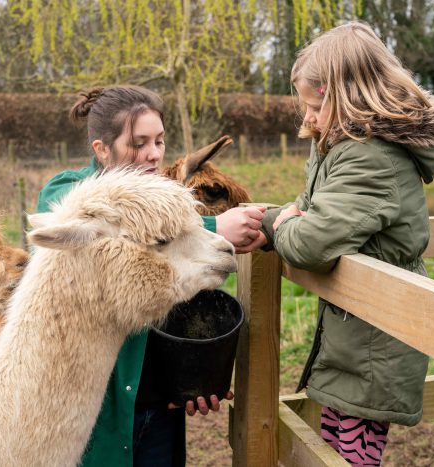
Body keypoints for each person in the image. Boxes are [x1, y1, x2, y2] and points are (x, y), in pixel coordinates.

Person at [259, 22, 434, 466]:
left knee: (352, 455)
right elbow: (306, 208)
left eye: (314, 106)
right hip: (356, 332)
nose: (306, 118)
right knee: (334, 441)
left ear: (342, 97)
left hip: (374, 342)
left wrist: (278, 227)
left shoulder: (370, 156)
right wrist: (281, 217)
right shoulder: (343, 145)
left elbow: (311, 240)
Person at [36, 85, 265, 466]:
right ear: (101, 150)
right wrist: (211, 227)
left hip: (160, 408)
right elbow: (122, 227)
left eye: (159, 140)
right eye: (138, 143)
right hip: (98, 416)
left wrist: (197, 376)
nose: (154, 154)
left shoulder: (167, 200)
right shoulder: (65, 195)